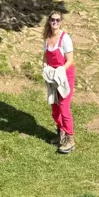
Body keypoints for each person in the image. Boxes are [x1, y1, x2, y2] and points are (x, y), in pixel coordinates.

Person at [42, 11, 75, 153]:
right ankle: (61, 132)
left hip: (64, 77)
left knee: (64, 107)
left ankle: (70, 139)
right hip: (53, 78)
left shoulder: (65, 38)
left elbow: (70, 60)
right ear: (49, 21)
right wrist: (45, 68)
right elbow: (45, 58)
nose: (55, 23)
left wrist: (59, 71)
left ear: (61, 22)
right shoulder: (47, 39)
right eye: (53, 20)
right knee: (55, 108)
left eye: (58, 20)